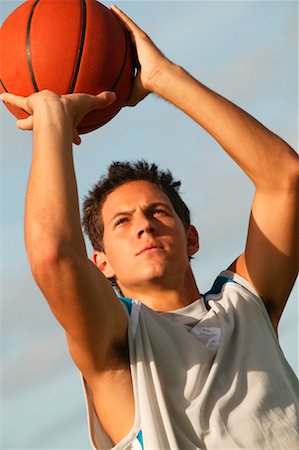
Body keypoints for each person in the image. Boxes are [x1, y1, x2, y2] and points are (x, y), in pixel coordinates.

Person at [1, 5, 298, 450]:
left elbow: (284, 179)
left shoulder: (247, 305)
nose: (144, 225)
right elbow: (52, 253)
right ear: (101, 264)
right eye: (122, 222)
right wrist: (52, 122)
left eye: (158, 212)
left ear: (190, 236)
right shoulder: (117, 344)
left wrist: (163, 76)